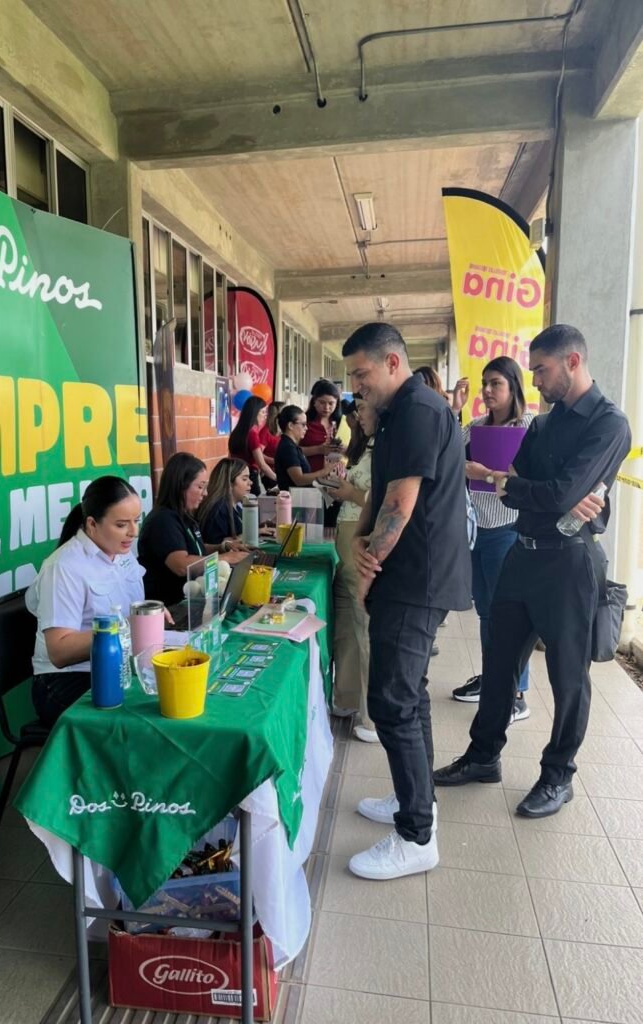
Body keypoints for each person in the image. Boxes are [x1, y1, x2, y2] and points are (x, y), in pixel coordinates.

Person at [433, 324, 632, 818]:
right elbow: (521, 487)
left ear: (572, 362)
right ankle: (483, 756)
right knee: (499, 663)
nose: (536, 381)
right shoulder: (542, 424)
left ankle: (558, 776)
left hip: (569, 563)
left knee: (568, 677)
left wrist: (530, 488)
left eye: (541, 370)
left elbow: (544, 490)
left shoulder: (609, 424)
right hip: (522, 554)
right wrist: (537, 490)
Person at [342, 322, 472, 881]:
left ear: (393, 363)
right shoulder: (395, 413)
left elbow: (400, 501)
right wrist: (360, 537)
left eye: (361, 373)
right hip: (408, 575)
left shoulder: (419, 409)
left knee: (392, 700)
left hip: (416, 578)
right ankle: (414, 799)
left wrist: (366, 572)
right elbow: (379, 490)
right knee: (409, 695)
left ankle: (416, 835)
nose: (356, 385)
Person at [450, 357, 534, 720]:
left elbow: (532, 480)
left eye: (495, 383)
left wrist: (486, 474)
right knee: (486, 611)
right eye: (484, 383)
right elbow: (446, 452)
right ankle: (493, 678)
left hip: (509, 529)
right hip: (477, 530)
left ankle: (516, 692)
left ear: (513, 386)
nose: (486, 390)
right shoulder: (477, 427)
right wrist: (455, 410)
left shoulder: (529, 427)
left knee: (510, 615)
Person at [25, 476, 145, 727]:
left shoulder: (122, 553)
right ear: (92, 523)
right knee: (136, 719)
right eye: (122, 524)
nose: (133, 532)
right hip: (65, 679)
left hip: (117, 665)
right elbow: (59, 651)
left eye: (136, 520)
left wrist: (148, 618)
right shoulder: (64, 567)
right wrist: (125, 628)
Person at [329, 396, 378, 741]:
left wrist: (349, 492)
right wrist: (341, 487)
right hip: (347, 534)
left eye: (361, 408)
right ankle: (346, 697)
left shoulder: (388, 446)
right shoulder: (365, 445)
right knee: (346, 620)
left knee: (365, 624)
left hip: (363, 536)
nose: (356, 416)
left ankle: (372, 716)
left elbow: (383, 499)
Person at [138, 452, 248, 606]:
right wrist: (225, 558)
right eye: (200, 487)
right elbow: (182, 565)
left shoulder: (184, 515)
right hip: (172, 607)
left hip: (194, 602)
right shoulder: (163, 520)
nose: (205, 493)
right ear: (181, 486)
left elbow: (194, 549)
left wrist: (222, 547)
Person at [274, 405, 333, 491]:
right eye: (303, 424)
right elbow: (299, 479)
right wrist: (325, 471)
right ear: (290, 425)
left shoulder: (291, 445)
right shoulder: (288, 447)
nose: (306, 428)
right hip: (293, 497)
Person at [228, 396, 276, 494]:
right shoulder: (252, 434)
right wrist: (277, 479)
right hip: (248, 476)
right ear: (255, 412)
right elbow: (262, 464)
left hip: (235, 474)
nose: (265, 416)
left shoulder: (236, 432)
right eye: (263, 412)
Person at [198, 457, 252, 545]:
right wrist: (251, 534)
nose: (250, 482)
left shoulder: (236, 506)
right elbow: (217, 544)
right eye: (244, 479)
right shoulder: (218, 510)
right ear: (229, 483)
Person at [301, 379, 344, 471]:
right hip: (310, 474)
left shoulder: (343, 423)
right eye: (322, 402)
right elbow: (292, 450)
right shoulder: (304, 422)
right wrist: (318, 449)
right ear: (314, 401)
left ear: (337, 403)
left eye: (331, 403)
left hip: (336, 474)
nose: (326, 407)